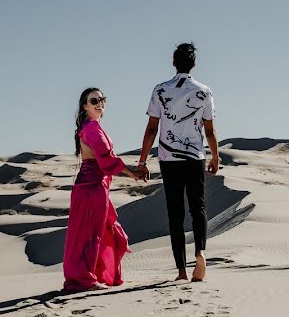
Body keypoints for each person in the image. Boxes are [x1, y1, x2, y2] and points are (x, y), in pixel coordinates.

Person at [136, 42, 219, 282]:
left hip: (168, 158)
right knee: (198, 207)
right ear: (194, 64)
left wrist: (142, 161)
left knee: (175, 212)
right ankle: (200, 252)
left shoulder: (160, 90)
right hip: (195, 157)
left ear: (174, 63)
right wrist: (215, 156)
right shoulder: (204, 91)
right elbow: (210, 131)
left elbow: (152, 128)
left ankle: (182, 271)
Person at [63, 87, 141, 292]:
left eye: (102, 99)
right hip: (91, 186)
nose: (99, 103)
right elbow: (105, 158)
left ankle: (89, 276)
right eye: (94, 100)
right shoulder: (91, 128)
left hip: (93, 185)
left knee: (94, 232)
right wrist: (131, 173)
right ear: (85, 106)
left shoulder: (91, 127)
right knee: (91, 233)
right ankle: (85, 279)